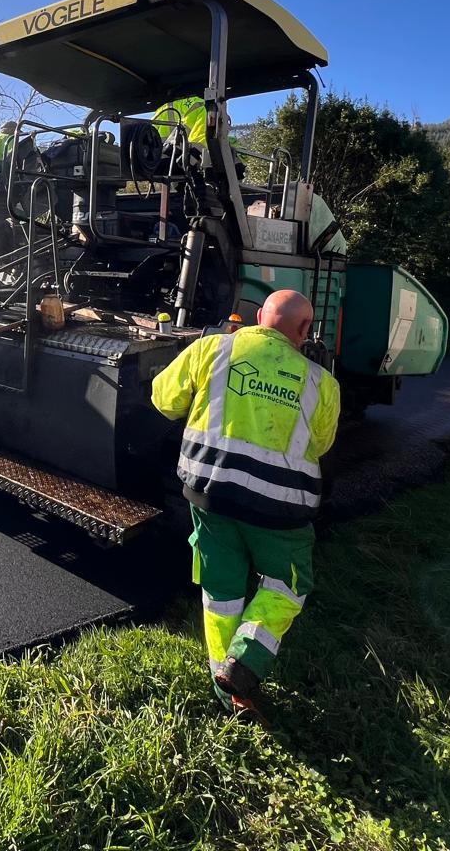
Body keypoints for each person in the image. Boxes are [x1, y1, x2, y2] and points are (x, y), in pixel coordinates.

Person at [150, 289, 340, 722]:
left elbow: (164, 400)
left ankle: (228, 693)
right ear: (305, 330)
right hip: (281, 509)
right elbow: (320, 443)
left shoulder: (211, 348)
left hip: (210, 494)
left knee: (221, 593)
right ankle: (247, 662)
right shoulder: (320, 382)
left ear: (257, 317)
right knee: (287, 586)